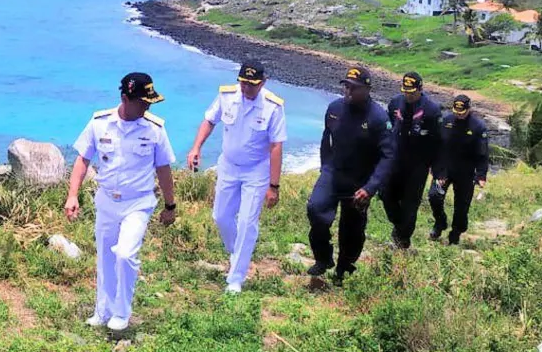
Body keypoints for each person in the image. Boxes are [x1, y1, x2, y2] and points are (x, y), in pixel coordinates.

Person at [64, 72, 177, 332]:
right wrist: (73, 195)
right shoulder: (99, 123)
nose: (148, 106)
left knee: (125, 254)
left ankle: (121, 313)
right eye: (143, 101)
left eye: (150, 101)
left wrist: (170, 205)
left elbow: (163, 169)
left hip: (138, 202)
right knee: (105, 258)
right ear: (126, 98)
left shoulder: (155, 129)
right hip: (106, 201)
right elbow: (83, 159)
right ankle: (102, 311)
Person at [187, 61, 286, 294]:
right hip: (229, 166)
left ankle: (236, 277)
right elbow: (209, 120)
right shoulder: (226, 96)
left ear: (262, 83)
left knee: (246, 222)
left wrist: (274, 185)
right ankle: (237, 251)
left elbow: (276, 146)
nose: (245, 88)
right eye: (242, 83)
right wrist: (196, 148)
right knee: (221, 216)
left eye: (251, 85)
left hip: (256, 170)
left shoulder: (273, 106)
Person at [306, 65, 394, 284]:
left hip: (360, 180)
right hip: (333, 173)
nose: (348, 92)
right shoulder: (334, 108)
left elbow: (388, 156)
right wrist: (325, 165)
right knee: (315, 209)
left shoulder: (378, 117)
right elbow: (326, 139)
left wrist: (371, 187)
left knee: (352, 228)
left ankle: (344, 270)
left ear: (366, 89)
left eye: (354, 88)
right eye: (346, 86)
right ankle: (323, 258)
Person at [382, 72, 441, 249]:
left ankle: (403, 240)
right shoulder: (395, 103)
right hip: (395, 161)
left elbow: (438, 141)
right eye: (406, 91)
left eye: (412, 92)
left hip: (418, 165)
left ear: (420, 89)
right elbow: (388, 130)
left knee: (410, 204)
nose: (409, 95)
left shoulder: (431, 110)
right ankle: (400, 228)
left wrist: (437, 169)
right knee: (386, 196)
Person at [429, 94, 490, 246]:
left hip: (466, 172)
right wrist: (438, 171)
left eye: (462, 112)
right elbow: (436, 148)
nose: (459, 115)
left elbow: (483, 153)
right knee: (434, 196)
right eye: (456, 111)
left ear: (469, 109)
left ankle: (455, 233)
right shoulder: (445, 121)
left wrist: (481, 174)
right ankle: (440, 223)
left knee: (462, 207)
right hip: (445, 169)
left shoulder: (478, 127)